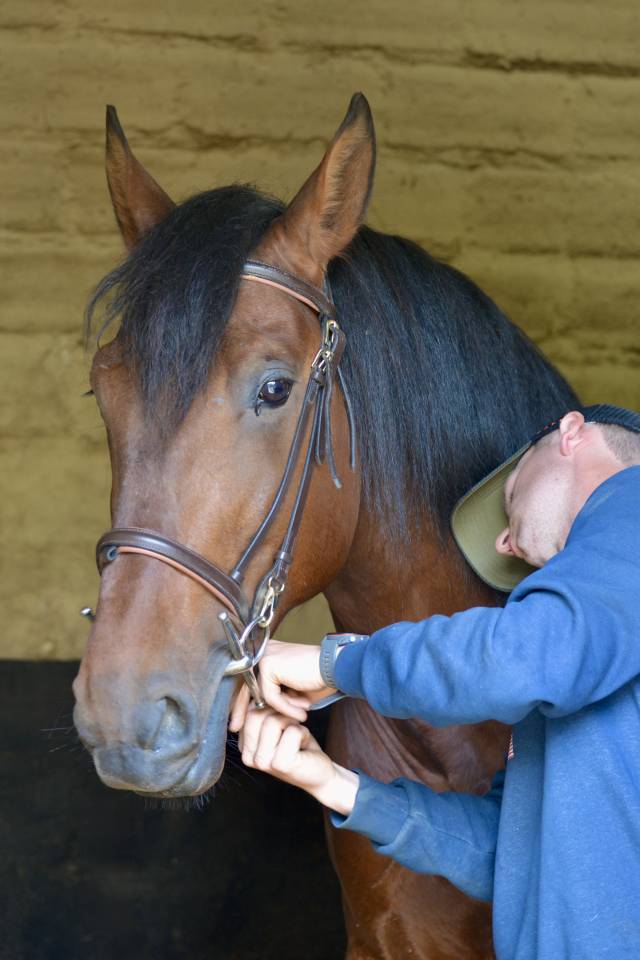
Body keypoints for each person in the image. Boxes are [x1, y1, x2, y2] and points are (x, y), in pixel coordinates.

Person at [229, 404, 640, 960]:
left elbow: (527, 656)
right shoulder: (592, 646)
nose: (502, 545)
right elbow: (510, 857)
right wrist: (332, 782)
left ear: (569, 433)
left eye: (508, 494)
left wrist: (340, 666)